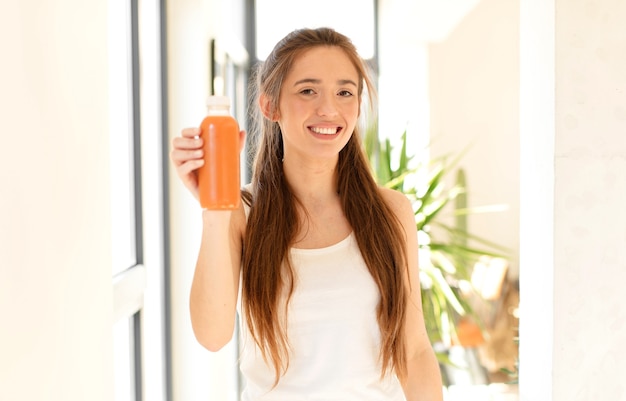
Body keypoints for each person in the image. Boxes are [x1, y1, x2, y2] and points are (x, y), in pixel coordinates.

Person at [170, 27, 443, 401]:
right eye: (307, 91)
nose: (328, 109)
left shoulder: (391, 212)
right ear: (270, 106)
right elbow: (211, 335)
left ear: (358, 106)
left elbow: (414, 351)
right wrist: (215, 210)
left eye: (344, 92)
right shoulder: (242, 213)